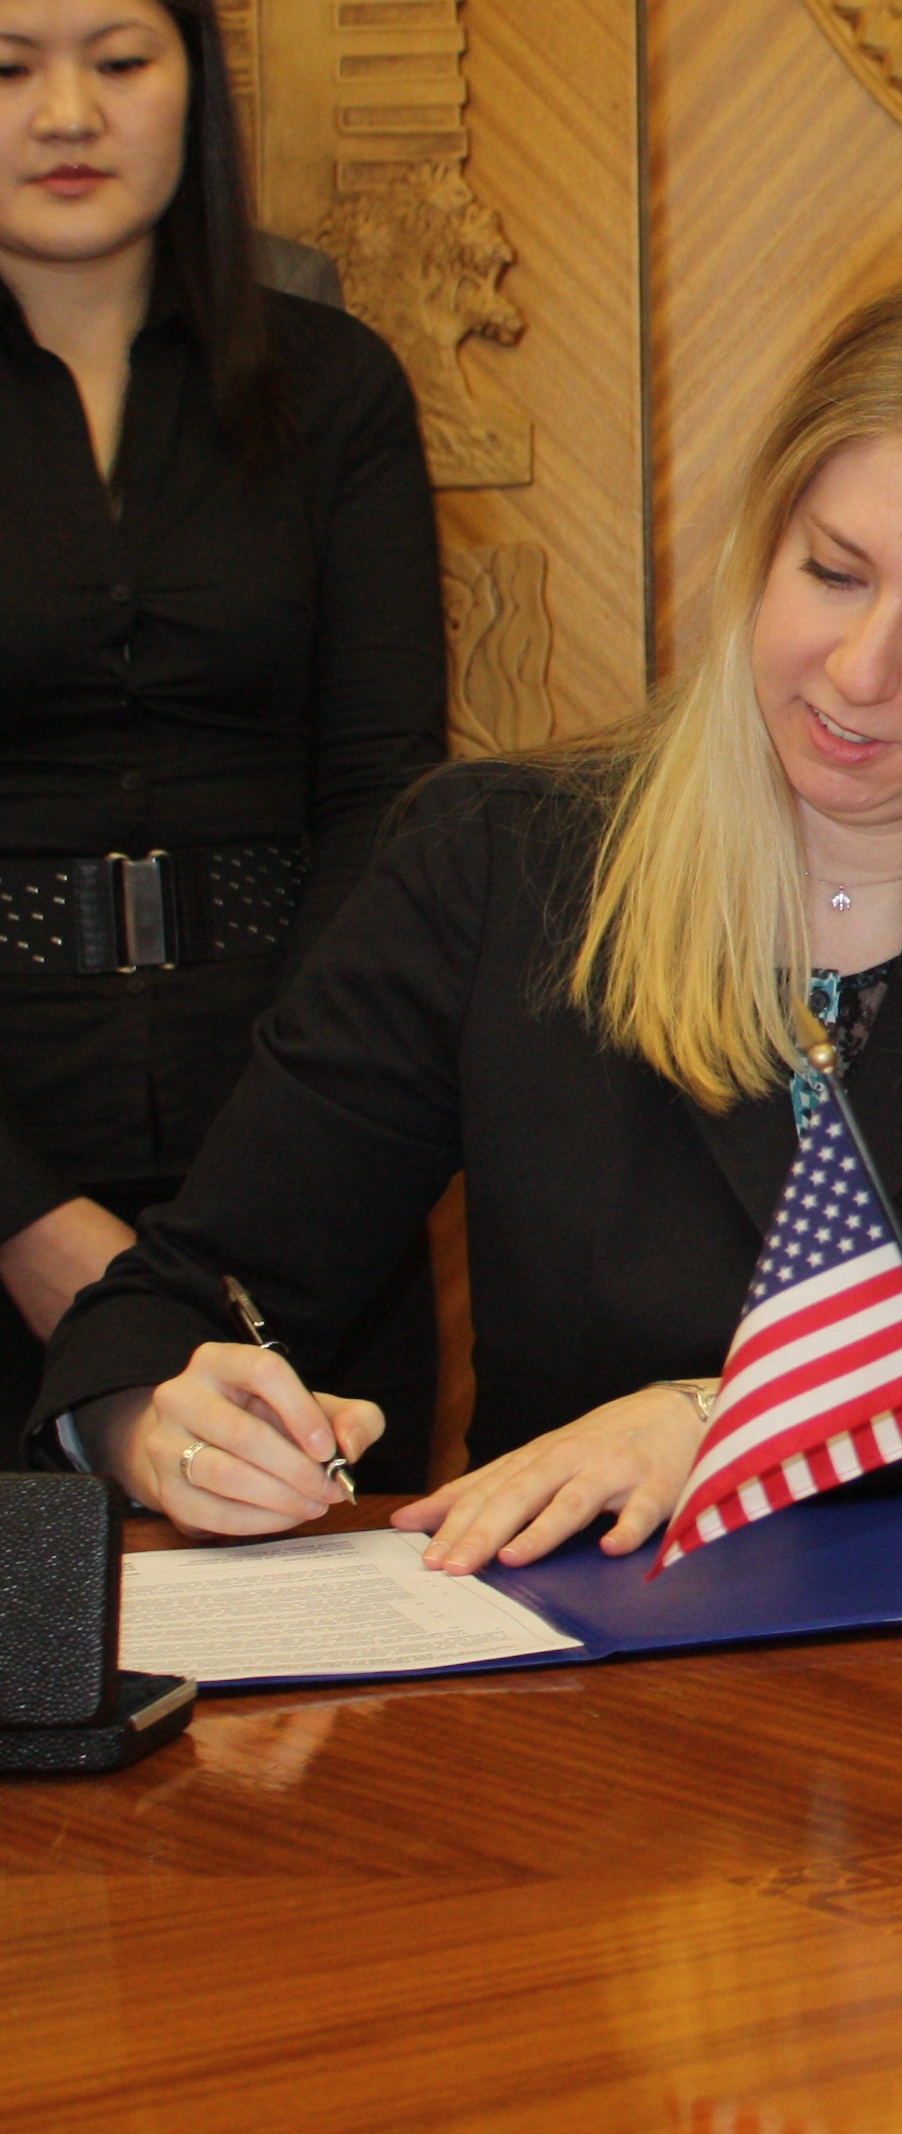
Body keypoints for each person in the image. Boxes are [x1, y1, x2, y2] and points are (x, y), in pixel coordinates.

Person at [28, 276, 902, 1574]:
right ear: (762, 542)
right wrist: (158, 1433)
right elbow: (179, 1302)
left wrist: (732, 1424)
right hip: (575, 1685)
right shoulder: (496, 865)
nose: (860, 670)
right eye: (832, 573)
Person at [0, 0, 443, 1455]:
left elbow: (382, 789)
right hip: (12, 1145)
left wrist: (279, 1179)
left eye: (119, 61)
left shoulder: (336, 388)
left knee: (324, 1651)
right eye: (7, 69)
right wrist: (27, 1226)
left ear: (199, 82)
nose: (68, 112)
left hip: (303, 1130)